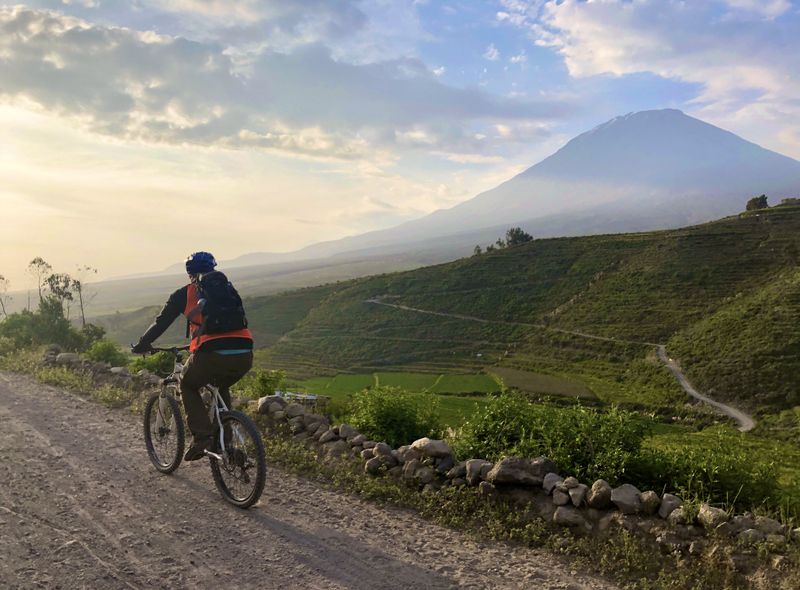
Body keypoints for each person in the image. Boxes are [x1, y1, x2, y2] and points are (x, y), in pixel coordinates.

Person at [132, 251, 253, 461]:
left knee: (187, 384)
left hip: (212, 353)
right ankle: (225, 442)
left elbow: (161, 322)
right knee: (220, 386)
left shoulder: (185, 294)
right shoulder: (227, 288)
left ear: (189, 273)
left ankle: (202, 437)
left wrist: (143, 344)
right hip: (244, 352)